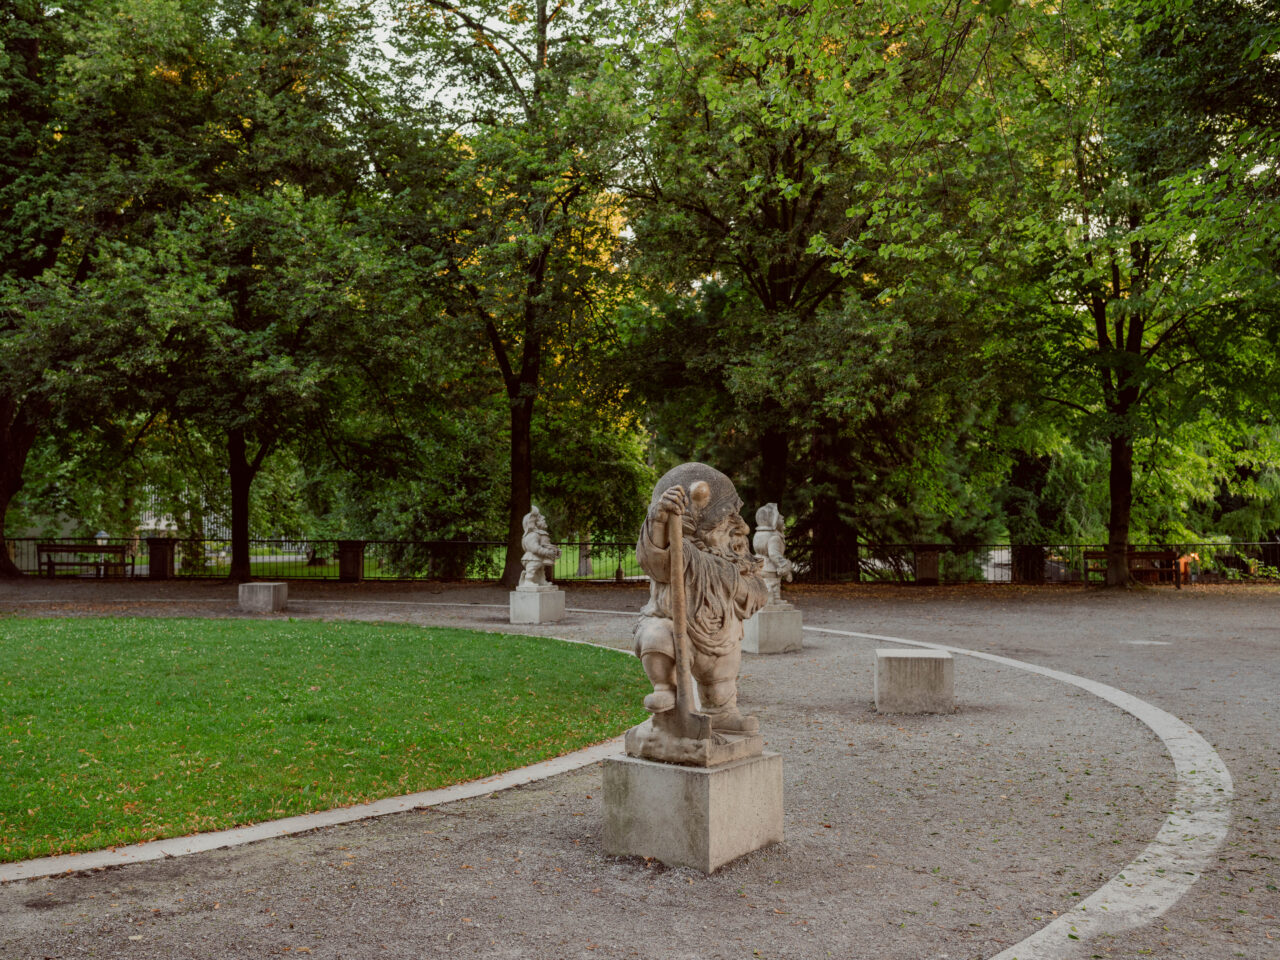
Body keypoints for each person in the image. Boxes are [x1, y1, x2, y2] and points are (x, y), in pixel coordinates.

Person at [633, 462, 767, 734]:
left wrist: (731, 581)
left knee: (722, 676)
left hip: (722, 635)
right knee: (657, 636)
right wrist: (659, 520)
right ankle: (665, 690)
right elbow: (653, 560)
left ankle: (721, 711)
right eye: (726, 523)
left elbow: (758, 593)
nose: (741, 528)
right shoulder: (677, 555)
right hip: (677, 631)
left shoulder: (737, 560)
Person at [753, 502, 794, 605]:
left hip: (760, 565)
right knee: (772, 584)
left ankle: (775, 599)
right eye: (779, 517)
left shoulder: (759, 534)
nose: (783, 518)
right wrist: (784, 565)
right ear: (774, 521)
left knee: (772, 584)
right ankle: (770, 602)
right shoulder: (774, 537)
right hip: (770, 567)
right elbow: (774, 554)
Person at [518, 506, 560, 589]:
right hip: (532, 557)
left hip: (539, 557)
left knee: (541, 569)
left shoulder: (540, 534)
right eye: (542, 520)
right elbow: (534, 548)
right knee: (533, 567)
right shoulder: (533, 535)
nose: (545, 521)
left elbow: (544, 545)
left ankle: (541, 581)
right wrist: (546, 552)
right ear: (536, 523)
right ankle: (528, 580)